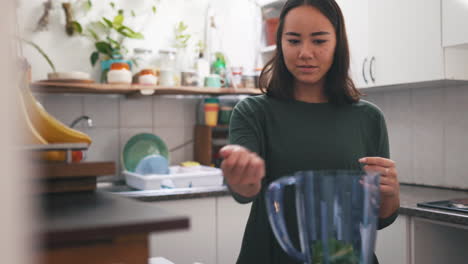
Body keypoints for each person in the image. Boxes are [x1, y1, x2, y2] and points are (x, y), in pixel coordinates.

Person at [219, 0, 400, 263]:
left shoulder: (369, 118)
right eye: (293, 41)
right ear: (280, 44)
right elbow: (244, 191)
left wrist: (391, 194)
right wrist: (242, 176)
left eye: (319, 41)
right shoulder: (253, 112)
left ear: (338, 43)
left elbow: (379, 218)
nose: (305, 52)